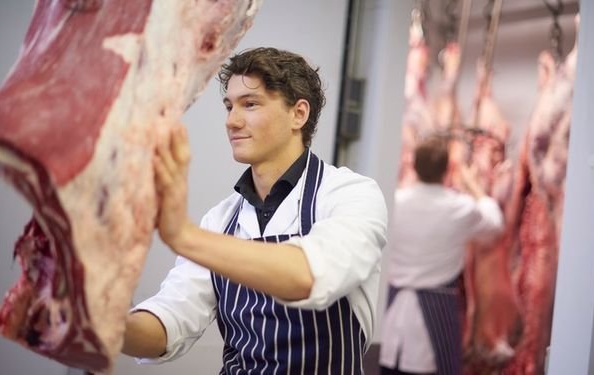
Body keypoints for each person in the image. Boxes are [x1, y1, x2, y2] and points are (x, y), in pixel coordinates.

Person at [121, 47, 388, 374]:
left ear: (298, 114)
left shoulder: (350, 195)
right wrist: (103, 323)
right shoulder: (220, 221)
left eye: (250, 104)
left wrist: (183, 235)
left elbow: (308, 275)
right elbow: (170, 321)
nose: (232, 121)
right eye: (229, 106)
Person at [379, 137, 504, 375]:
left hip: (391, 318)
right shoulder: (459, 207)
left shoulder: (394, 202)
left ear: (413, 166)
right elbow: (495, 224)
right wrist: (475, 186)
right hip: (436, 318)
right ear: (448, 170)